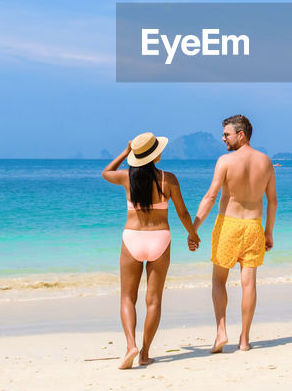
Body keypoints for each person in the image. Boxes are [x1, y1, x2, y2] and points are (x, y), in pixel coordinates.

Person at [102, 132, 201, 369]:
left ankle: (130, 346)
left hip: (133, 238)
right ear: (155, 154)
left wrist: (126, 152)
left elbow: (106, 172)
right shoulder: (169, 179)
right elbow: (183, 213)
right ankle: (145, 353)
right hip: (160, 239)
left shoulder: (127, 177)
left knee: (128, 296)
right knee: (153, 300)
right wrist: (193, 234)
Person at [193, 114, 277, 353]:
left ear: (241, 135)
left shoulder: (225, 161)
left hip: (228, 226)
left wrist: (194, 228)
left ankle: (221, 332)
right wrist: (268, 232)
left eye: (227, 134)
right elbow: (272, 202)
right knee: (249, 284)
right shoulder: (266, 162)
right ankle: (245, 339)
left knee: (219, 281)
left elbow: (210, 197)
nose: (223, 139)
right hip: (254, 227)